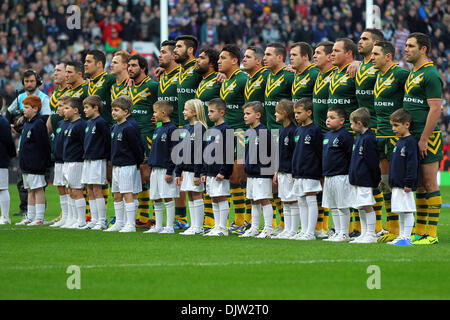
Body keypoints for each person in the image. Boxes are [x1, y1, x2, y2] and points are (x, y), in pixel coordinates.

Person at [403, 32, 443, 245]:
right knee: (418, 184)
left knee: (429, 182)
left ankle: (432, 233)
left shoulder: (431, 75)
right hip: (413, 136)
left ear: (423, 49)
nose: (406, 49)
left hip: (427, 137)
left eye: (410, 46)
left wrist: (424, 139)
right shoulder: (413, 72)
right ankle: (419, 231)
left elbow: (435, 109)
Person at [371, 40, 410, 242]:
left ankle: (405, 229)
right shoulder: (378, 74)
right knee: (384, 183)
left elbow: (412, 99)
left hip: (395, 138)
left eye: (376, 54)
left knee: (398, 183)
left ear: (388, 56)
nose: (372, 58)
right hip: (380, 136)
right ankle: (391, 226)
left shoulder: (401, 75)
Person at [354, 29, 385, 237]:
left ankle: (385, 228)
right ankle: (364, 229)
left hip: (378, 130)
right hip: (360, 131)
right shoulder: (358, 66)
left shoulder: (382, 68)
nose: (360, 41)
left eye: (365, 39)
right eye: (360, 38)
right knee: (362, 182)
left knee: (380, 181)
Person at [7, 69, 51, 217]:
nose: (29, 84)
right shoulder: (20, 97)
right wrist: (14, 126)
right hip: (25, 148)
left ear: (37, 81)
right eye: (26, 81)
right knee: (26, 185)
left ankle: (38, 216)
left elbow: (44, 126)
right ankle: (28, 213)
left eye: (32, 81)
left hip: (36, 154)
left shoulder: (43, 99)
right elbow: (9, 112)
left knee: (37, 186)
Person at [263, 42, 294, 233]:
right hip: (270, 133)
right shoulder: (267, 76)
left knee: (287, 180)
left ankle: (295, 225)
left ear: (280, 58)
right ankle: (280, 222)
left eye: (268, 54)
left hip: (285, 134)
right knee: (273, 182)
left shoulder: (289, 75)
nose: (264, 58)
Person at [218, 44, 249, 232]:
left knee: (240, 176)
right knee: (232, 178)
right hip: (228, 133)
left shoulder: (243, 79)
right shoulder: (226, 80)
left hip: (242, 132)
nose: (219, 61)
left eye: (223, 58)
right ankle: (238, 221)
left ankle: (247, 220)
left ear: (234, 60)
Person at [127, 54, 158, 228]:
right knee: (138, 176)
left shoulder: (153, 86)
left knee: (149, 175)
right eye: (129, 66)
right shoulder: (129, 87)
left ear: (143, 68)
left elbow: (163, 109)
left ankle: (155, 217)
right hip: (132, 136)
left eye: (133, 65)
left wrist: (158, 122)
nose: (130, 68)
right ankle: (143, 216)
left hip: (147, 134)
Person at [106, 96, 144, 233]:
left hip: (128, 165)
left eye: (116, 110)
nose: (113, 113)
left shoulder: (130, 127)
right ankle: (119, 222)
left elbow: (137, 148)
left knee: (128, 194)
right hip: (116, 165)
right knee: (117, 194)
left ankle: (130, 224)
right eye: (112, 110)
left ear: (126, 112)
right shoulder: (114, 127)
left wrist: (136, 163)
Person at [194, 46, 221, 229]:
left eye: (202, 58)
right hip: (202, 134)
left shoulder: (219, 80)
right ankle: (208, 221)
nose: (198, 60)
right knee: (205, 179)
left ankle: (221, 222)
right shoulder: (201, 80)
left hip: (216, 135)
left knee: (220, 178)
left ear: (212, 63)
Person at [15, 95, 51, 226]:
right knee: (30, 190)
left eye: (26, 107)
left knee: (38, 189)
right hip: (26, 164)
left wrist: (45, 162)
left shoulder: (39, 124)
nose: (24, 110)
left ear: (35, 108)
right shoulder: (27, 123)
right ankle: (30, 216)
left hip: (36, 164)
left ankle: (39, 217)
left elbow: (44, 145)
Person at [240, 101, 274, 238]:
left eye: (248, 114)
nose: (245, 116)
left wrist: (267, 171)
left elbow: (270, 154)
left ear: (258, 115)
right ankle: (254, 228)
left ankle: (268, 229)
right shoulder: (249, 132)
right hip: (252, 173)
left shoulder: (264, 132)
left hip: (262, 173)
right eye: (244, 114)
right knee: (253, 200)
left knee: (264, 199)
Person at [144, 100, 179, 234]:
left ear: (163, 113)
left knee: (168, 196)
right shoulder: (158, 128)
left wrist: (170, 171)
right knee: (156, 196)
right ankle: (158, 225)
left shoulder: (172, 129)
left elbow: (174, 152)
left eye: (155, 112)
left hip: (166, 169)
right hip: (156, 168)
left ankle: (169, 226)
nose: (153, 114)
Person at [291, 98, 323, 240]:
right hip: (299, 172)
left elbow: (319, 152)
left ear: (309, 112)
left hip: (311, 172)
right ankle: (304, 231)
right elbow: (296, 152)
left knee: (310, 200)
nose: (296, 115)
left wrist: (320, 172)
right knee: (301, 201)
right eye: (295, 113)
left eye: (299, 112)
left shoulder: (315, 130)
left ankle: (310, 232)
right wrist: (294, 172)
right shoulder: (298, 130)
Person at [201, 98, 234, 236]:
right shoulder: (211, 130)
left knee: (221, 197)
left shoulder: (227, 130)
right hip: (210, 171)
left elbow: (229, 152)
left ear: (222, 112)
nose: (209, 114)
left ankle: (223, 228)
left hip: (220, 171)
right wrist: (204, 171)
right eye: (208, 111)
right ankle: (217, 226)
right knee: (214, 197)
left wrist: (223, 171)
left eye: (212, 111)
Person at [348, 108, 381, 244]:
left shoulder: (369, 139)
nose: (350, 126)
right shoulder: (358, 138)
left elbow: (373, 162)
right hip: (357, 180)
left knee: (367, 206)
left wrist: (375, 180)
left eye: (351, 123)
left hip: (366, 180)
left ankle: (371, 234)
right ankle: (364, 233)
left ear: (359, 123)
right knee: (360, 207)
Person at [175, 99, 208, 235]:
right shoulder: (186, 128)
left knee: (196, 194)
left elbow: (200, 152)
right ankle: (193, 225)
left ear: (194, 112)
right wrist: (178, 171)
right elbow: (181, 151)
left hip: (196, 169)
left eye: (186, 109)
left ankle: (198, 226)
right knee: (190, 195)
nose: (183, 112)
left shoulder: (200, 128)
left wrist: (197, 173)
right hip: (186, 168)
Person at [321, 106, 354, 242]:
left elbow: (350, 156)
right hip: (329, 176)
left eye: (332, 118)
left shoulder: (346, 136)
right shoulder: (327, 135)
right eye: (327, 117)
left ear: (341, 121)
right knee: (333, 206)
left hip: (342, 176)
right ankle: (337, 232)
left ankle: (345, 233)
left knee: (342, 205)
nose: (328, 120)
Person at [388, 108, 419, 246]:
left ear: (406, 124)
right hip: (397, 184)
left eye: (396, 125)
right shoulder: (399, 142)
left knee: (407, 210)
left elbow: (412, 164)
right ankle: (401, 235)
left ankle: (407, 237)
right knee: (400, 210)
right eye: (392, 126)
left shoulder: (410, 142)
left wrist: (409, 182)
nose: (393, 129)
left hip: (405, 184)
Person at [81, 95, 111, 230]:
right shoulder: (88, 123)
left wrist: (108, 159)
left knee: (97, 189)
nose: (85, 110)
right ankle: (94, 219)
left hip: (98, 159)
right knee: (89, 188)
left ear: (96, 108)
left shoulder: (101, 123)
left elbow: (107, 142)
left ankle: (102, 221)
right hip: (87, 158)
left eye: (87, 107)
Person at [272, 100, 298, 239]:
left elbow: (295, 154)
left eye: (277, 111)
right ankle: (287, 229)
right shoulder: (281, 130)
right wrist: (276, 171)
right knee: (285, 200)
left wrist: (295, 172)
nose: (275, 114)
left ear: (285, 113)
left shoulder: (293, 131)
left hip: (290, 172)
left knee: (292, 200)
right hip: (282, 171)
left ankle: (293, 229)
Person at [61, 97, 87, 229]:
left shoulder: (81, 125)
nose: (64, 111)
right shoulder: (69, 124)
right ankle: (72, 218)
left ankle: (81, 220)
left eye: (66, 108)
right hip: (68, 161)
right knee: (69, 190)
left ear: (76, 110)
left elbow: (84, 144)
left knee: (76, 190)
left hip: (77, 162)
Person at [49, 96, 71, 228]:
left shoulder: (74, 124)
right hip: (58, 160)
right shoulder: (60, 123)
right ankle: (65, 216)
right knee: (61, 188)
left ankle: (72, 217)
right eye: (58, 106)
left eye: (62, 106)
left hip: (68, 160)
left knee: (70, 188)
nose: (59, 109)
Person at [328, 38, 358, 131]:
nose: (332, 54)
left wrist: (360, 63)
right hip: (333, 130)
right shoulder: (334, 72)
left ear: (348, 53)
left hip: (349, 130)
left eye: (336, 51)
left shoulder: (357, 71)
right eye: (332, 51)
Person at [0, 111, 16, 224]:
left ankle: (5, 216)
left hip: (0, 158)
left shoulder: (3, 122)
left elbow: (8, 141)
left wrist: (11, 154)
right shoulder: (3, 122)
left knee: (2, 187)